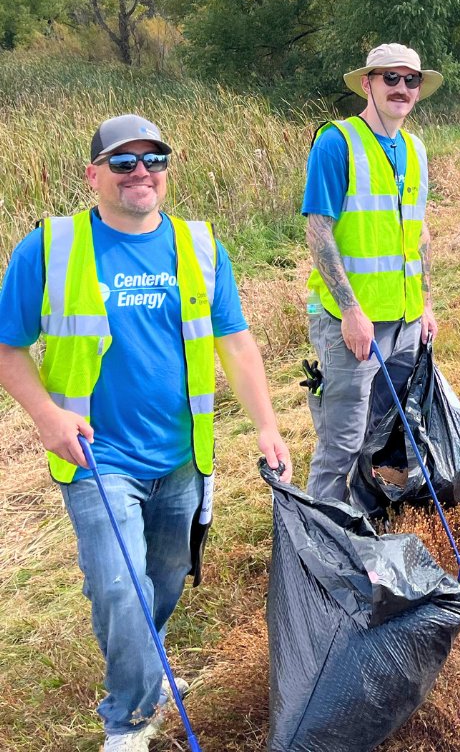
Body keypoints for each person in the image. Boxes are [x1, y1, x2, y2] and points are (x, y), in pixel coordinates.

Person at [0, 114, 292, 752]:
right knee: (119, 585)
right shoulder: (51, 246)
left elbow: (235, 343)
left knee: (159, 581)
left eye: (154, 159)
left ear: (168, 169)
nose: (142, 173)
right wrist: (48, 418)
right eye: (124, 161)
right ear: (94, 173)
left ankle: (145, 660)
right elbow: (7, 346)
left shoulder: (200, 246)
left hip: (183, 456)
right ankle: (128, 719)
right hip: (96, 456)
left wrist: (267, 425)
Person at [302, 42, 442, 503]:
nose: (401, 88)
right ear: (368, 83)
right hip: (354, 322)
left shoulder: (417, 149)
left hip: (402, 319)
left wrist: (424, 305)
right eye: (391, 78)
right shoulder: (336, 142)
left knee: (383, 432)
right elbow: (319, 232)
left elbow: (417, 236)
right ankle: (324, 534)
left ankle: (366, 514)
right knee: (341, 441)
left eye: (411, 80)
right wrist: (350, 312)